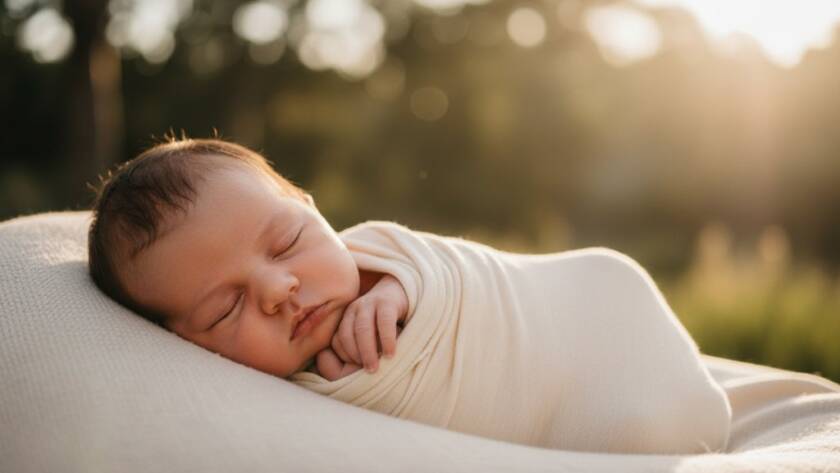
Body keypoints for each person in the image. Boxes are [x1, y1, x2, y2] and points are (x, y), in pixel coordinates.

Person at [88, 137, 731, 454]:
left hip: (595, 306)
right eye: (225, 309)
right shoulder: (267, 410)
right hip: (589, 429)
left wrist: (400, 293)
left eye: (286, 242)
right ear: (185, 345)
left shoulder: (380, 256)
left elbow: (450, 271)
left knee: (609, 298)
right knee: (629, 435)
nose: (280, 289)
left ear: (311, 207)